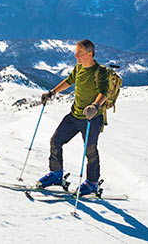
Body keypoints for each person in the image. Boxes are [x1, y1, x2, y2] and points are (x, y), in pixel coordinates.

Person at [36, 39, 108, 196]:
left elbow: (104, 92)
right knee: (56, 141)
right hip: (74, 115)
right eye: (76, 53)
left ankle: (92, 183)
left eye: (80, 53)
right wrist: (52, 92)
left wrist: (95, 106)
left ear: (90, 54)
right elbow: (69, 81)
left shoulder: (100, 72)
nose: (76, 56)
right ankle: (55, 174)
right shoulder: (79, 67)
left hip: (91, 118)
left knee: (90, 150)